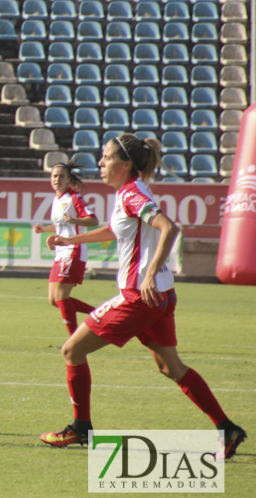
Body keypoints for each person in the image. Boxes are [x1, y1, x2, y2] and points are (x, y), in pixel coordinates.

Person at [39, 134, 246, 457]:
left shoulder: (132, 194)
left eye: (106, 158)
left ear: (125, 165)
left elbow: (169, 228)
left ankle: (81, 428)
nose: (101, 163)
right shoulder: (130, 192)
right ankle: (227, 429)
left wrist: (149, 272)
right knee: (172, 368)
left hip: (138, 297)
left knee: (71, 351)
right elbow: (113, 230)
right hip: (161, 296)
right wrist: (69, 240)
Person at [32, 161, 98, 335]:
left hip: (73, 250)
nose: (57, 179)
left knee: (61, 297)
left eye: (61, 176)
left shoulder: (74, 198)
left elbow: (93, 220)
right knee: (53, 299)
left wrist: (75, 220)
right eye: (54, 176)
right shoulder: (57, 199)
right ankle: (100, 315)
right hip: (61, 251)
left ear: (69, 179)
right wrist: (46, 230)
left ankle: (73, 340)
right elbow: (62, 226)